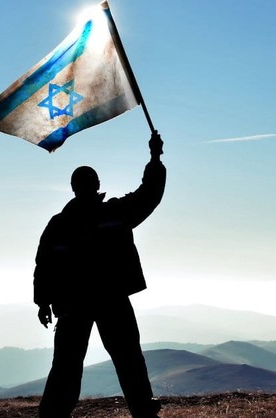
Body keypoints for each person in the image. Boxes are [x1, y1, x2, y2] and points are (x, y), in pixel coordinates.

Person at [33, 131, 166, 418]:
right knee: (128, 358)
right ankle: (143, 409)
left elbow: (43, 265)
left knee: (68, 363)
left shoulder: (59, 224)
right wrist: (155, 157)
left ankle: (53, 414)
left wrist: (43, 302)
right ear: (97, 185)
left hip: (73, 304)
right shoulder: (115, 213)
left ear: (73, 188)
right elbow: (148, 195)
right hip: (110, 299)